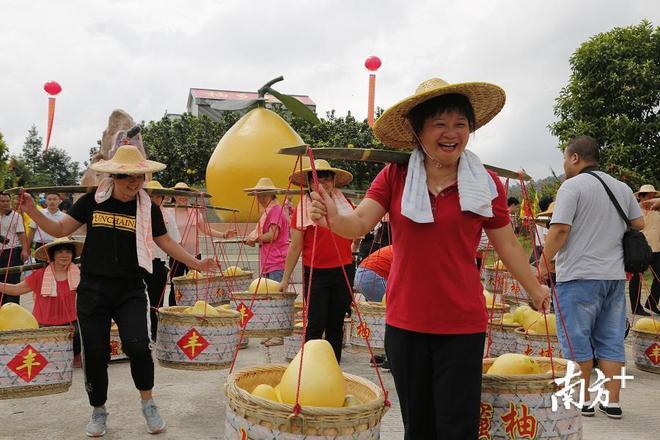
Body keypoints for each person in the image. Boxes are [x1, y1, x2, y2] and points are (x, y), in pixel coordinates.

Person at [307, 78, 550, 439]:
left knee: (457, 426)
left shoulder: (485, 183)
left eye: (460, 124)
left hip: (462, 324)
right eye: (439, 124)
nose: (451, 133)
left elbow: (509, 246)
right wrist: (331, 217)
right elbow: (357, 223)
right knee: (417, 427)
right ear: (417, 130)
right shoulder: (396, 175)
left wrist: (535, 288)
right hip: (406, 323)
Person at [20, 145, 217, 437]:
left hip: (130, 289)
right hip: (92, 290)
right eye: (127, 178)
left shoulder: (147, 208)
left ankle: (148, 403)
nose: (133, 184)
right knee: (96, 353)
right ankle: (98, 411)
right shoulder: (91, 202)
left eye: (139, 178)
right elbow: (60, 230)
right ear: (113, 176)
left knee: (138, 345)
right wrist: (32, 211)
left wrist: (196, 264)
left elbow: (165, 242)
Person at [539, 135, 644, 419]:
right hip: (613, 277)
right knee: (611, 340)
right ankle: (612, 401)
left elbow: (559, 230)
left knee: (576, 339)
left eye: (565, 157)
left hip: (578, 276)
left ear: (575, 157)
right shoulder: (621, 187)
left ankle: (583, 399)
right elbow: (639, 222)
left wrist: (542, 262)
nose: (564, 163)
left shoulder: (572, 187)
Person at [280, 160, 356, 363]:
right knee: (315, 324)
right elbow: (295, 246)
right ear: (309, 184)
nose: (322, 183)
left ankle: (332, 368)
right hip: (316, 273)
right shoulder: (302, 209)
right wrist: (285, 279)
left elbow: (355, 232)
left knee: (336, 324)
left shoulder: (345, 204)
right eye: (316, 178)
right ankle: (310, 370)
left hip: (343, 270)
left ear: (333, 180)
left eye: (326, 177)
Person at [0, 237, 83, 365]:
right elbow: (16, 289)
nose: (64, 255)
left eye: (68, 252)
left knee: (83, 334)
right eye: (60, 252)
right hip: (43, 326)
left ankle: (75, 354)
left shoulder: (78, 275)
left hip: (71, 325)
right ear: (52, 255)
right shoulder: (40, 274)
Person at [167, 182, 236, 305]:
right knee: (175, 286)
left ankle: (195, 309)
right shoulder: (169, 211)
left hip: (194, 255)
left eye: (185, 194)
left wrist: (224, 234)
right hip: (177, 255)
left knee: (197, 285)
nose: (182, 197)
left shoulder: (194, 211)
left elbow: (205, 229)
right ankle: (173, 311)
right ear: (174, 196)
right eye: (179, 194)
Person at [143, 180, 181, 341]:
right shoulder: (138, 214)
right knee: (138, 300)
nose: (155, 200)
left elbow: (174, 240)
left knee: (156, 300)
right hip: (140, 261)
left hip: (158, 262)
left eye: (158, 196)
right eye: (152, 196)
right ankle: (142, 333)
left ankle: (156, 333)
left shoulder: (168, 216)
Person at [243, 177, 290, 282]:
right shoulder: (268, 211)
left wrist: (255, 238)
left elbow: (272, 235)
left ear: (272, 195)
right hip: (269, 261)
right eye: (259, 196)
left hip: (276, 261)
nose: (261, 198)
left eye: (265, 195)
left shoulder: (275, 210)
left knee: (276, 295)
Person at [629, 184, 660, 315]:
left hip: (656, 247)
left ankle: (651, 303)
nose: (651, 197)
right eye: (648, 195)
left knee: (659, 278)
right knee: (636, 278)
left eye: (653, 195)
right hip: (639, 249)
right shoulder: (634, 211)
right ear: (641, 196)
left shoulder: (658, 210)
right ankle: (636, 308)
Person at [0, 192, 30, 305]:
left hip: (12, 251)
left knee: (12, 283)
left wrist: (25, 250)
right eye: (2, 201)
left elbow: (22, 234)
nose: (5, 203)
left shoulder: (15, 216)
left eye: (7, 201)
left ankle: (13, 311)